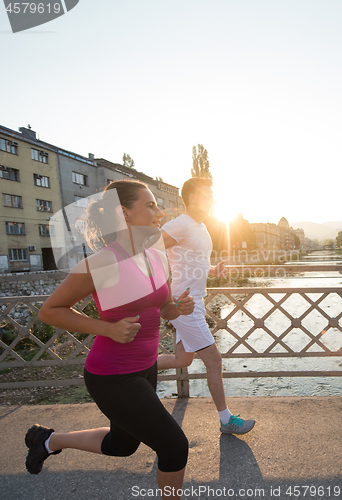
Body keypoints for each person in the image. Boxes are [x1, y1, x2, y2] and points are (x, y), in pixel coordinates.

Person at [24, 180, 194, 500]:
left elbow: (163, 307)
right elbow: (50, 311)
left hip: (145, 368)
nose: (159, 212)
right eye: (151, 205)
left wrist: (177, 307)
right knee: (174, 446)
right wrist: (109, 329)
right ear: (124, 214)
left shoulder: (156, 256)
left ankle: (48, 440)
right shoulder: (102, 263)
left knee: (122, 446)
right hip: (111, 375)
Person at [158, 177, 255, 435]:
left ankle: (137, 366)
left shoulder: (199, 226)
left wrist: (213, 269)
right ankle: (226, 420)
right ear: (192, 198)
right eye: (208, 195)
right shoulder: (180, 224)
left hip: (193, 301)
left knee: (183, 359)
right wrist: (165, 293)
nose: (213, 200)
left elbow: (192, 260)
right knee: (214, 360)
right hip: (184, 304)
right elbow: (150, 251)